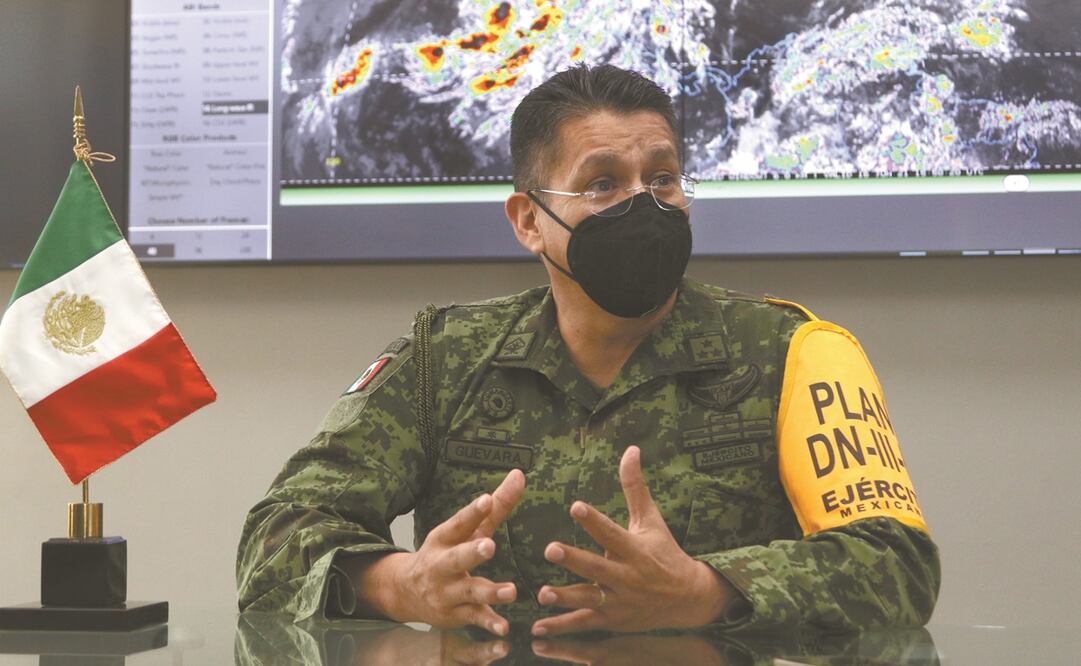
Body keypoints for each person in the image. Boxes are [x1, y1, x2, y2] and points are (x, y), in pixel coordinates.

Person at [236, 64, 940, 637]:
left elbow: (896, 567)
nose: (645, 204)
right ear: (527, 222)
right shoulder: (443, 360)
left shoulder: (794, 352)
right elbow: (273, 535)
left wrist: (707, 591)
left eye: (662, 179)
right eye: (603, 184)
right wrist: (400, 584)